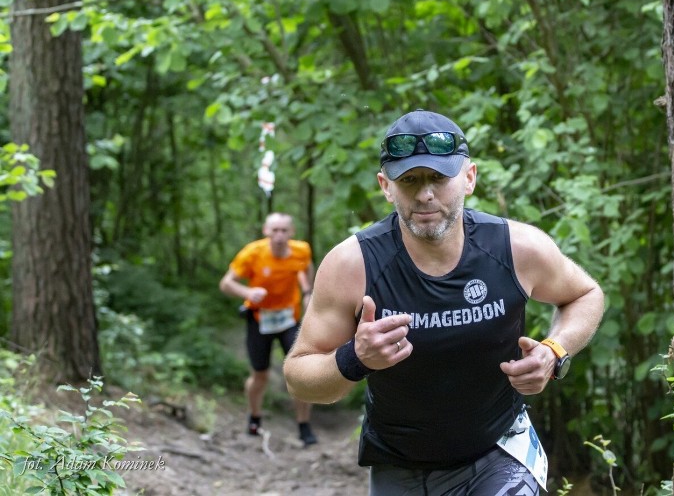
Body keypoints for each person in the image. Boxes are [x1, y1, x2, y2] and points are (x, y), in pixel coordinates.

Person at [283, 109, 605, 494]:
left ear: (469, 177)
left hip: (499, 449)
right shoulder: (352, 265)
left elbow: (586, 295)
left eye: (438, 177)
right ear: (386, 186)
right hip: (399, 463)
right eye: (409, 180)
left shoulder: (516, 248)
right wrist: (355, 358)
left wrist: (554, 351)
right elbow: (299, 378)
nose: (425, 194)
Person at [220, 212, 318, 446]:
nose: (279, 236)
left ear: (291, 233)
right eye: (275, 230)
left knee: (299, 373)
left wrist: (307, 294)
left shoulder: (301, 250)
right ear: (266, 231)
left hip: (289, 319)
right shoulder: (253, 253)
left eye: (284, 230)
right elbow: (226, 283)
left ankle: (304, 425)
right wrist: (247, 293)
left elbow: (306, 272)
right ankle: (254, 418)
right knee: (260, 375)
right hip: (259, 319)